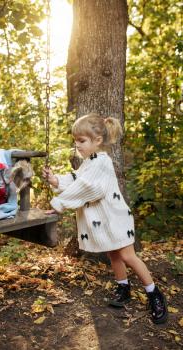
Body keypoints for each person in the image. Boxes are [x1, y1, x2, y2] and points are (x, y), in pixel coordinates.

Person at [43, 113, 168, 324]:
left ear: (97, 141)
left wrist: (59, 204)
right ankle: (123, 287)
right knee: (113, 254)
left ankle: (154, 293)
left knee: (128, 256)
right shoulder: (90, 162)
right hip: (106, 221)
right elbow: (77, 178)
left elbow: (87, 187)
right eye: (76, 141)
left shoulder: (101, 162)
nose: (77, 145)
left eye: (82, 141)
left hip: (116, 218)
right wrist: (56, 180)